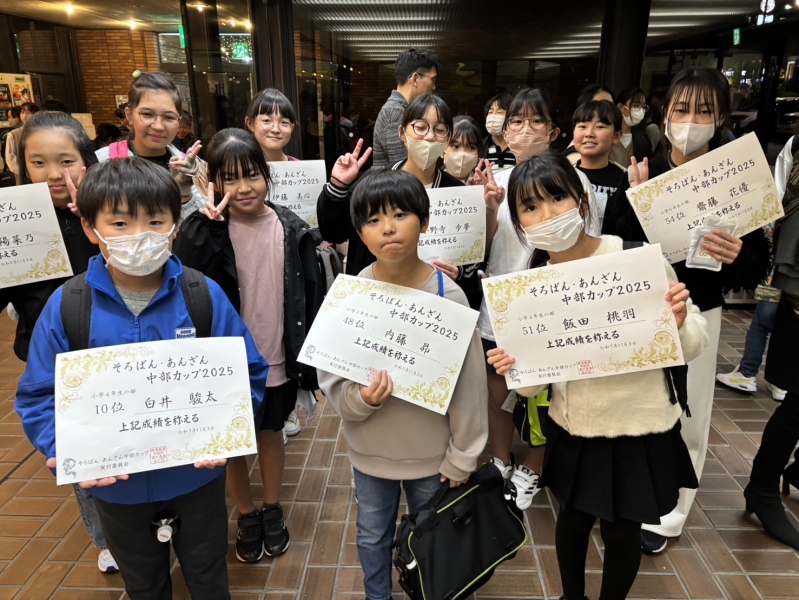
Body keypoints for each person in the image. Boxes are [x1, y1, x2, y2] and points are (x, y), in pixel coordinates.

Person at [15, 157, 269, 599]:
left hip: (196, 478)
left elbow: (247, 372)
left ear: (175, 226)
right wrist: (63, 446)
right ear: (90, 229)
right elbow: (39, 395)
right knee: (143, 584)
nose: (139, 236)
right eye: (119, 223)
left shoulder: (201, 295)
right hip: (118, 488)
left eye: (155, 221)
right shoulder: (69, 306)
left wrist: (229, 433)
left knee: (209, 575)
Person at [487, 153, 707, 600]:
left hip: (640, 425)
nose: (547, 215)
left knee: (623, 530)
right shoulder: (530, 287)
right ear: (518, 222)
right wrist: (514, 369)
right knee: (572, 520)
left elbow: (694, 341)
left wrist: (680, 323)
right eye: (530, 207)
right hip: (576, 428)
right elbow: (533, 386)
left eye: (557, 198)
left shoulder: (633, 259)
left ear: (582, 201)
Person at [603, 67, 770, 555]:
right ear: (666, 112)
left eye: (703, 111)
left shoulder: (734, 177)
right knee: (634, 402)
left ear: (721, 117)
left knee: (689, 410)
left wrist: (737, 253)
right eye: (681, 109)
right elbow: (614, 242)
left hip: (699, 308)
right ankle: (625, 493)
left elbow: (756, 261)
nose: (690, 121)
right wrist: (635, 202)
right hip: (641, 309)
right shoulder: (645, 170)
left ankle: (670, 513)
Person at [319, 168, 488, 600]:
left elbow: (469, 386)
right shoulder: (350, 295)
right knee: (372, 533)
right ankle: (377, 595)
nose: (388, 228)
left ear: (425, 222)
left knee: (433, 534)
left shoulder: (448, 296)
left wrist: (463, 455)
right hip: (370, 451)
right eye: (373, 220)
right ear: (359, 232)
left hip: (432, 455)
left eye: (400, 215)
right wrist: (359, 400)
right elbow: (332, 376)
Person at [173, 128, 322, 562]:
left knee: (270, 434)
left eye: (252, 175)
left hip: (274, 354)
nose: (243, 188)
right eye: (230, 178)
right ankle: (246, 513)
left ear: (267, 175)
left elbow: (309, 296)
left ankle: (272, 508)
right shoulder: (207, 228)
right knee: (233, 442)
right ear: (213, 182)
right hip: (225, 362)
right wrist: (203, 226)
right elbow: (186, 280)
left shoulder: (290, 227)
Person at [472, 86, 600, 510]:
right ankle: (500, 459)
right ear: (505, 132)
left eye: (536, 120)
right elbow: (483, 249)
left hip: (553, 307)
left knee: (546, 395)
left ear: (553, 130)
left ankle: (534, 464)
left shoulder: (574, 181)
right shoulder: (498, 180)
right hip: (502, 304)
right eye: (516, 121)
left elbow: (589, 245)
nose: (525, 129)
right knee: (498, 390)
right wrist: (489, 209)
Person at [0, 110, 115, 572]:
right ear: (22, 165)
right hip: (53, 355)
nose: (53, 174)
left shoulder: (107, 208)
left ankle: (141, 519)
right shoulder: (12, 221)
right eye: (38, 162)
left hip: (111, 348)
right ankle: (104, 537)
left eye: (65, 161)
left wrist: (94, 221)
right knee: (79, 446)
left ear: (86, 160)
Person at [318, 94, 483, 310]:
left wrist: (460, 272)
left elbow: (472, 259)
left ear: (447, 138)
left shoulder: (458, 193)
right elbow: (334, 232)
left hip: (430, 303)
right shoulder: (374, 185)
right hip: (373, 299)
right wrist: (338, 186)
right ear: (402, 133)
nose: (430, 137)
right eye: (420, 127)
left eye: (440, 130)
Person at [96, 71, 206, 225]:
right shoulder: (101, 162)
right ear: (129, 115)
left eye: (169, 117)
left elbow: (200, 226)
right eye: (147, 114)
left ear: (178, 121)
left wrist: (184, 194)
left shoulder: (189, 166)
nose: (158, 126)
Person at [716, 223, 786, 401]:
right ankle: (781, 382)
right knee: (787, 329)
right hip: (793, 284)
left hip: (774, 277)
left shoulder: (778, 209)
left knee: (761, 326)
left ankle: (747, 373)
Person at [372, 48, 440, 167]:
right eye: (433, 79)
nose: (434, 87)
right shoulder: (395, 112)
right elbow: (401, 167)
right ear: (415, 78)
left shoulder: (402, 109)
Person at [571, 100, 628, 230]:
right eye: (582, 126)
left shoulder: (624, 181)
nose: (589, 133)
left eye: (600, 127)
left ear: (616, 136)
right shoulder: (562, 177)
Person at [244, 88, 300, 163]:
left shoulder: (300, 168)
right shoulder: (239, 168)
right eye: (266, 121)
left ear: (292, 128)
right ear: (250, 123)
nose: (275, 130)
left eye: (284, 122)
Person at [609, 88, 652, 169]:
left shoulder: (643, 140)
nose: (641, 111)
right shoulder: (607, 136)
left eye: (644, 107)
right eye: (636, 105)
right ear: (620, 107)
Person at [5, 102, 40, 182]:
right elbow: (10, 158)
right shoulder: (13, 134)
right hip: (22, 176)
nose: (25, 114)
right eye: (22, 112)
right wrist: (23, 173)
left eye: (28, 112)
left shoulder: (41, 132)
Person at [480, 93, 515, 169]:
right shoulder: (480, 147)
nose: (493, 116)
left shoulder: (519, 146)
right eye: (490, 112)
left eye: (499, 112)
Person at [443, 115, 481, 183]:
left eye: (471, 147)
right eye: (456, 146)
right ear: (442, 151)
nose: (462, 153)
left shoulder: (484, 185)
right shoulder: (430, 184)